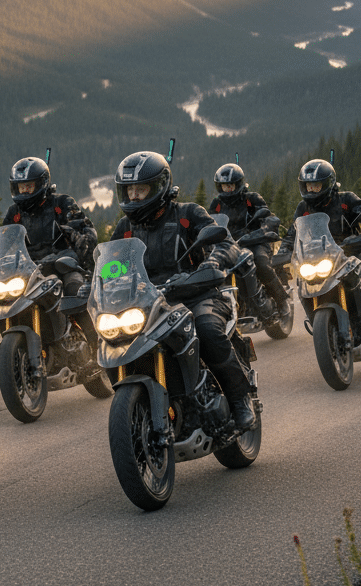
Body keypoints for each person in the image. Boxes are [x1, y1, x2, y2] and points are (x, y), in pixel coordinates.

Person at [111, 150, 259, 432]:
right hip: (149, 304)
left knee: (208, 331)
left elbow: (224, 242)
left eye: (140, 190)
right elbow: (112, 266)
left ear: (159, 186)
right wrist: (95, 280)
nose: (133, 197)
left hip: (198, 295)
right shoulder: (125, 229)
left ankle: (240, 400)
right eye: (129, 190)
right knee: (118, 339)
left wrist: (212, 262)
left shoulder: (187, 215)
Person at [279, 158, 361, 343]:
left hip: (352, 250)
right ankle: (322, 328)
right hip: (319, 256)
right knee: (303, 283)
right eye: (308, 186)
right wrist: (282, 252)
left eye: (316, 185)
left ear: (327, 183)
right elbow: (292, 233)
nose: (311, 190)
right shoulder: (303, 208)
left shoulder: (346, 199)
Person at [208, 162, 291, 322]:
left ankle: (282, 301)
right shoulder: (217, 204)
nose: (228, 189)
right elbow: (210, 223)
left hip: (255, 241)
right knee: (215, 271)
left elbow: (268, 217)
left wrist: (264, 229)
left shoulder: (251, 199)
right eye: (225, 186)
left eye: (231, 185)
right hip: (230, 246)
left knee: (261, 263)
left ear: (238, 184)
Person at [3, 156, 97, 295]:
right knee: (5, 297)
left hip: (63, 266)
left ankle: (79, 316)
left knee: (75, 289)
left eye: (29, 186)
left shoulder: (62, 203)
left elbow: (85, 230)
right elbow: (4, 242)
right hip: (27, 272)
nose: (24, 191)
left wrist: (80, 239)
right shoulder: (14, 212)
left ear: (42, 183)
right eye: (21, 187)